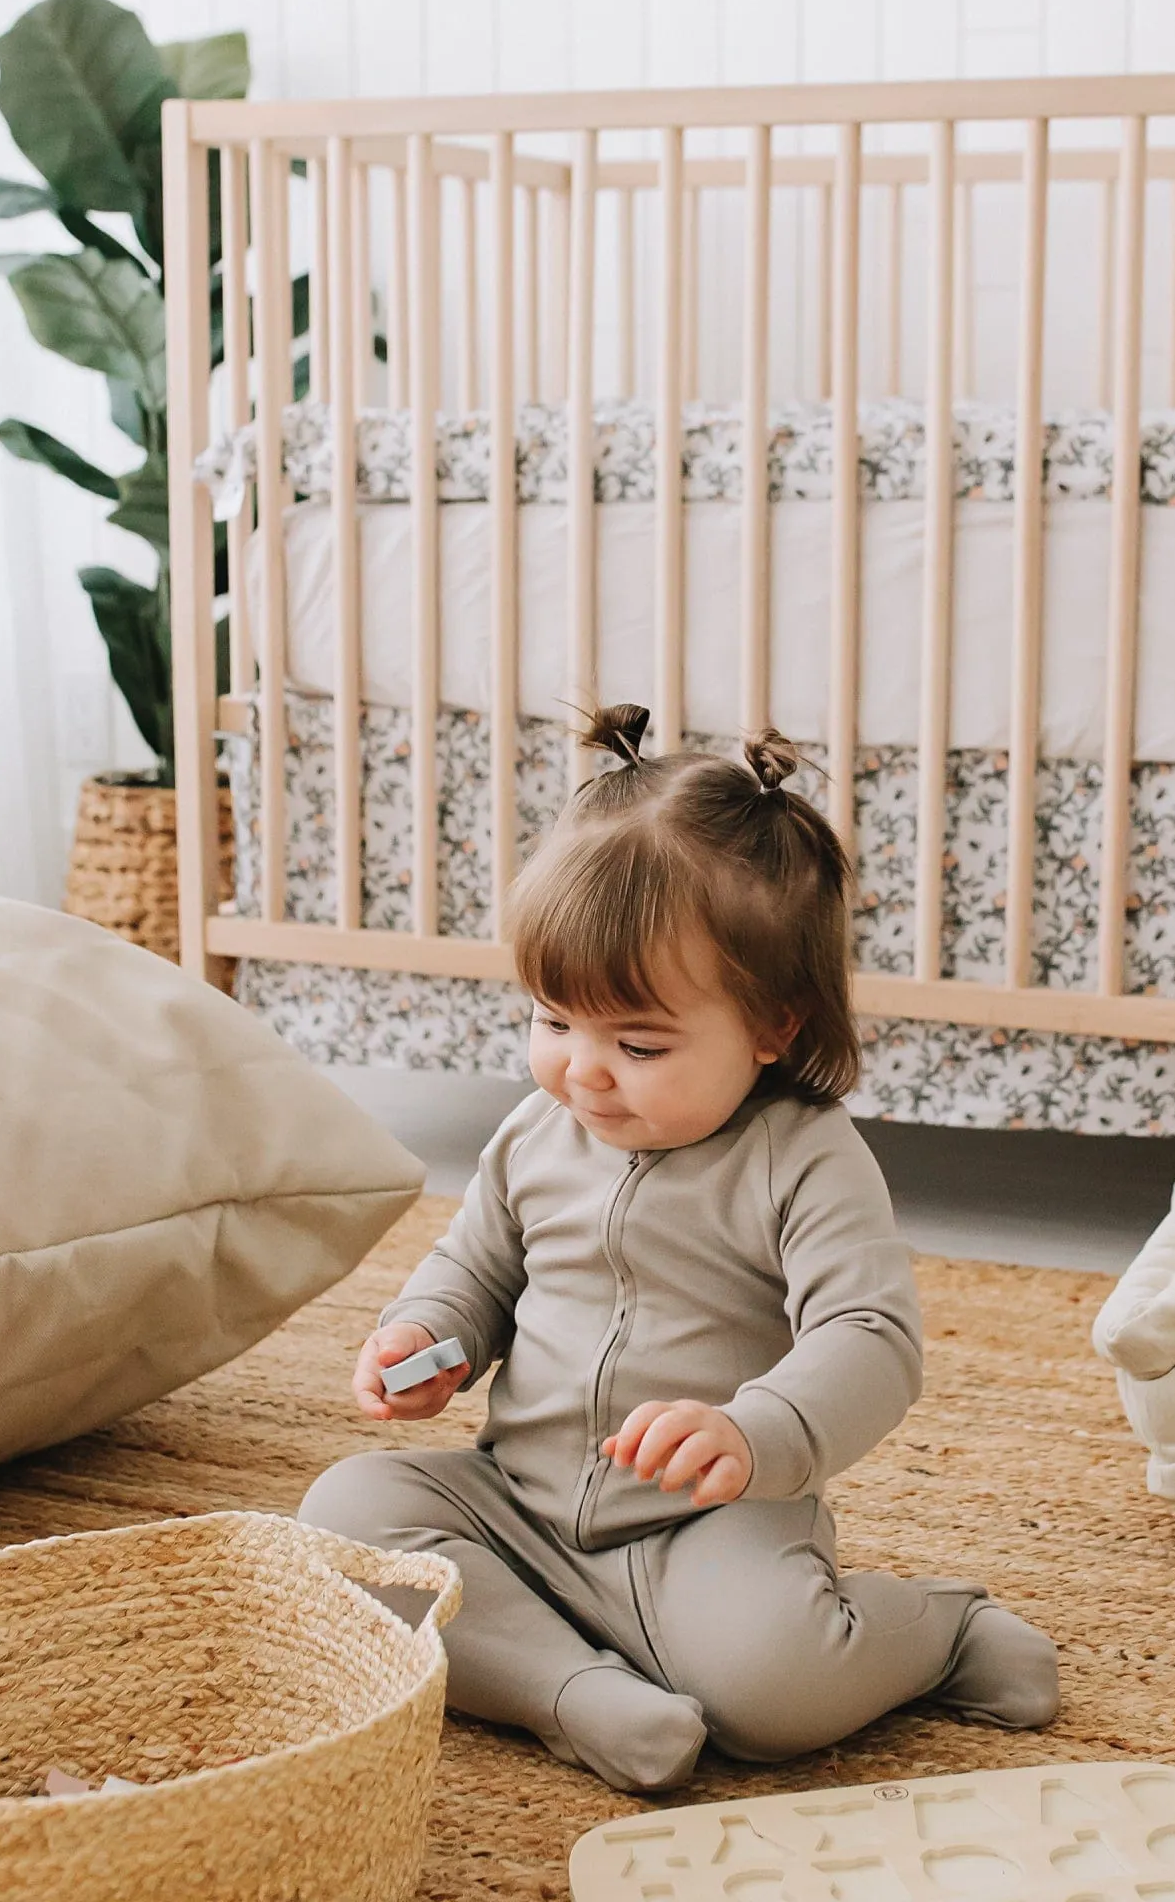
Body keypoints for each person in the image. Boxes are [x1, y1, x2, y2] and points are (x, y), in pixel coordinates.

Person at [301, 705, 1058, 1792]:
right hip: (515, 1498)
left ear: (772, 1026)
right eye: (553, 1020)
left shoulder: (802, 1157)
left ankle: (940, 1633)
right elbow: (475, 1266)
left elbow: (870, 1336)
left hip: (706, 1521)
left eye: (638, 1042)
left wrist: (753, 1431)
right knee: (342, 1525)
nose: (582, 1071)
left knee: (770, 1687)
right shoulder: (534, 1133)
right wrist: (427, 1334)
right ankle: (572, 1690)